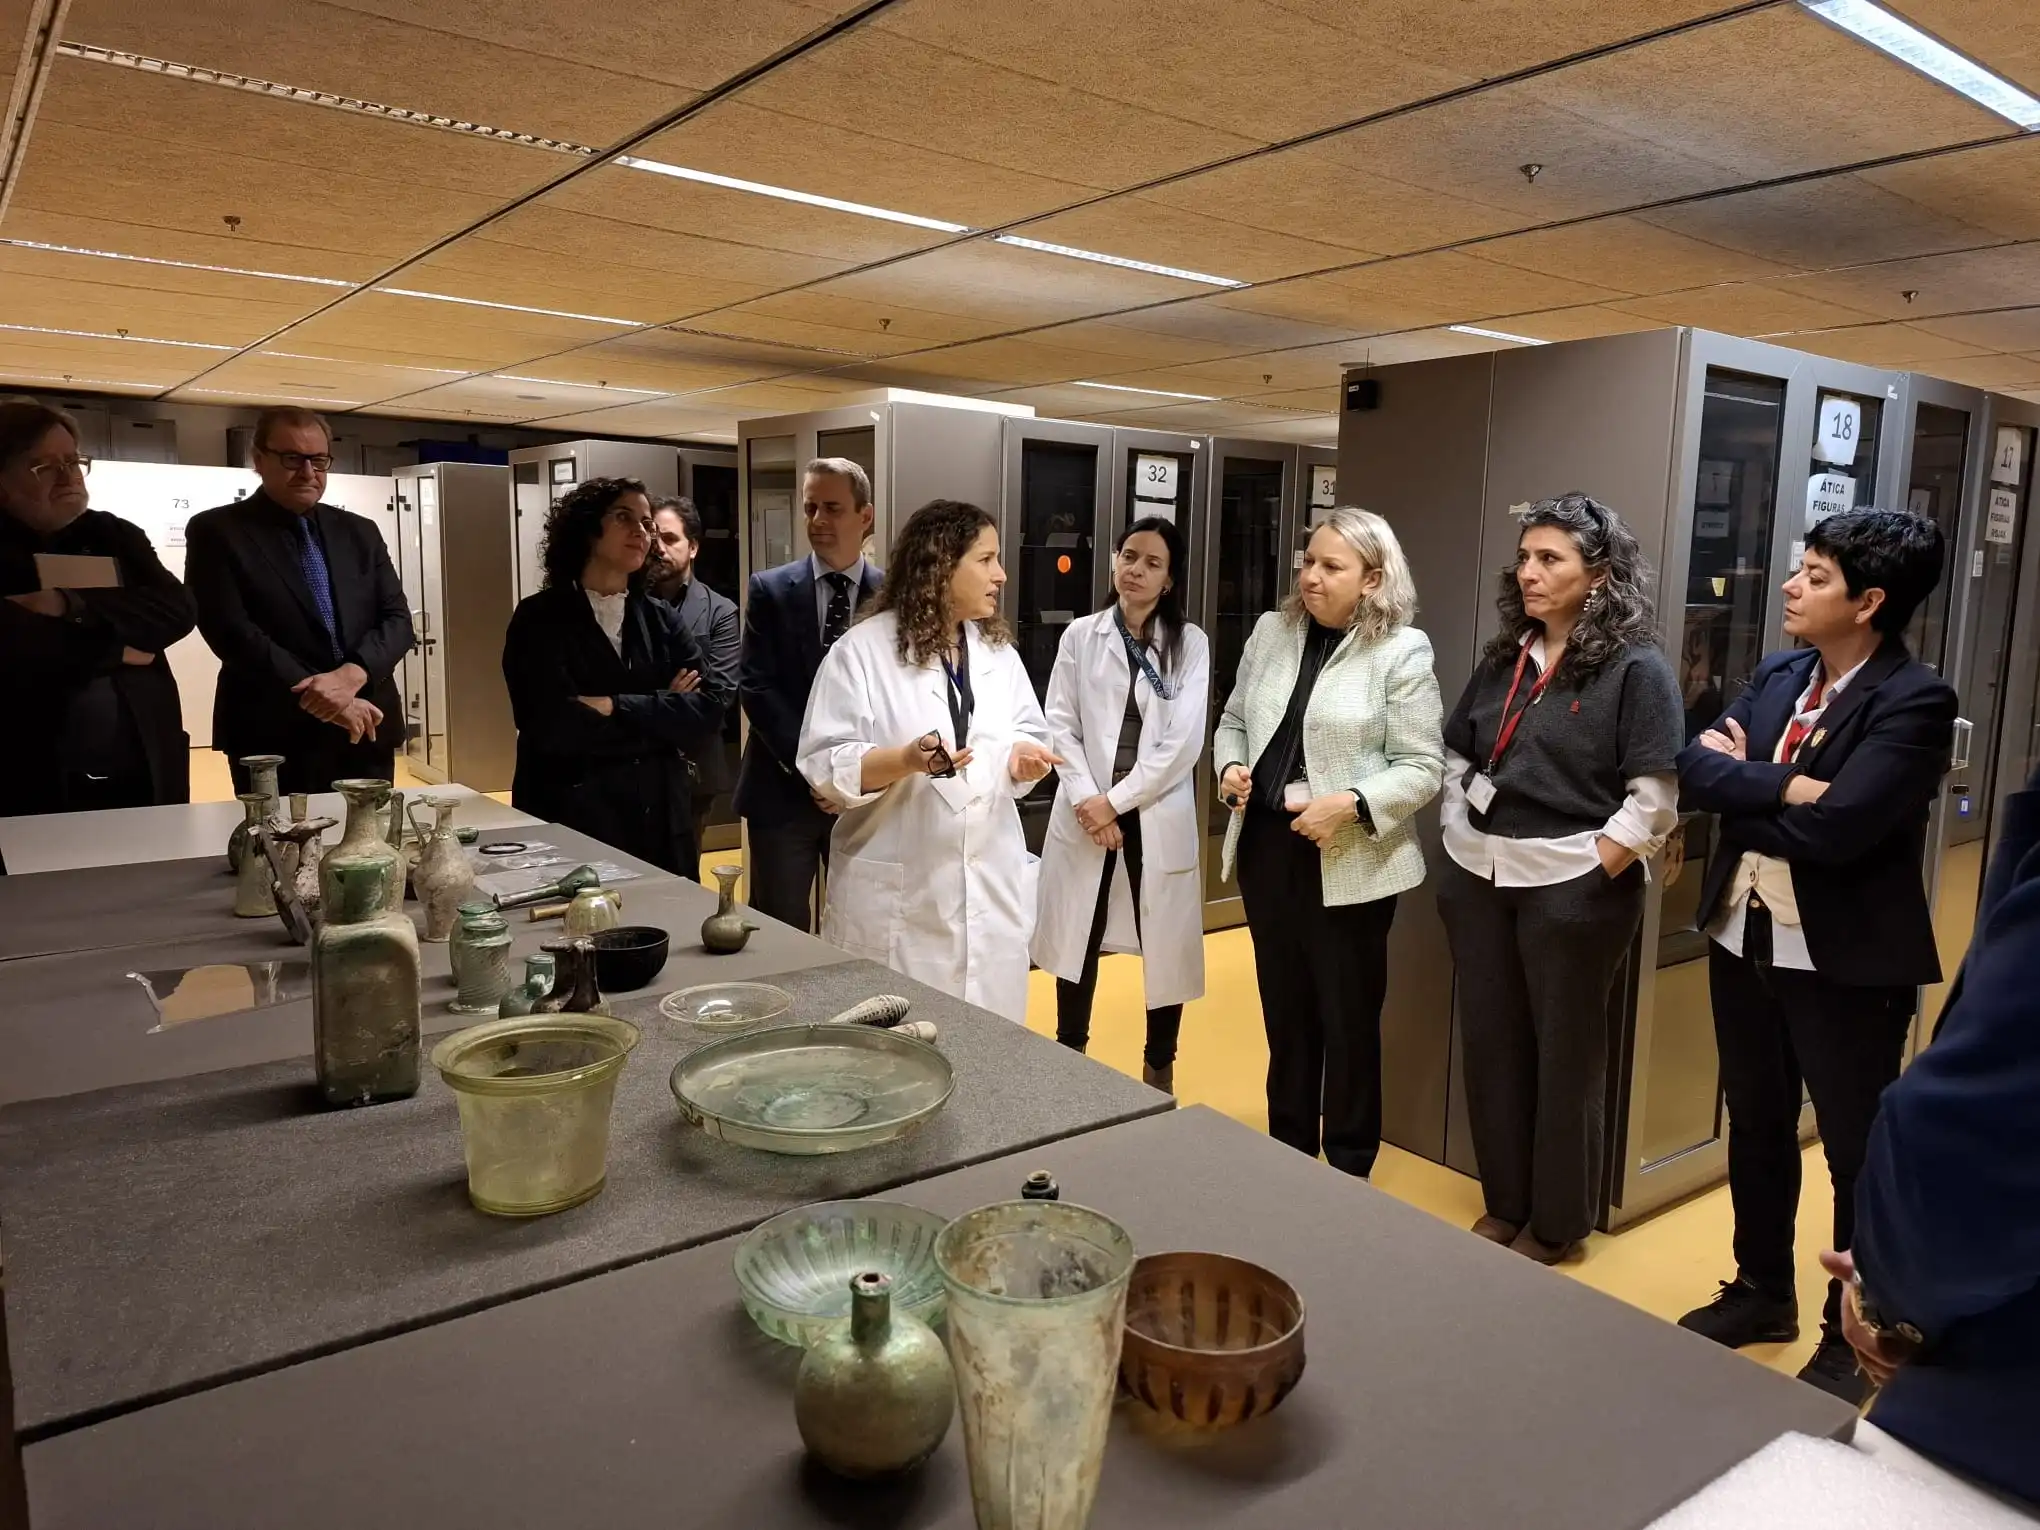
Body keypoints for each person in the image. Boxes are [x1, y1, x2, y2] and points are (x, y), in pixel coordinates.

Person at [1675, 507, 1956, 1404]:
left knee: (1852, 1148)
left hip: (1844, 960)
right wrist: (1790, 784)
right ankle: (1762, 1291)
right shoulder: (1782, 672)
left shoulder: (1914, 700)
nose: (1791, 587)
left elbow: (1840, 831)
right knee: (1755, 1125)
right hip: (1743, 931)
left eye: (1817, 577)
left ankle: (1855, 1328)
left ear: (1871, 601)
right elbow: (1692, 768)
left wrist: (1747, 786)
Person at [1437, 493, 1683, 1264]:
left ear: (1599, 574)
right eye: (1525, 558)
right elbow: (1457, 754)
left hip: (1575, 889)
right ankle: (1505, 1201)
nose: (1531, 573)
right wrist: (1455, 828)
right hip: (1479, 877)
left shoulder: (1637, 668)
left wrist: (1596, 867)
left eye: (1551, 559)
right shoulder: (1504, 655)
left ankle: (1557, 1221)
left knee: (1565, 1055)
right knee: (1491, 1043)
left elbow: (1656, 797)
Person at [1829, 754, 2040, 1504]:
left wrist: (1894, 1306)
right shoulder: (1777, 690)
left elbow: (1971, 1147)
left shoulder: (1909, 700)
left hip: (2000, 1423)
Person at [1214, 508, 1443, 1179]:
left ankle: (1347, 1164)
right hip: (1267, 851)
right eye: (1307, 562)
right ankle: (1286, 1153)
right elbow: (1232, 720)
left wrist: (1350, 804)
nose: (1311, 577)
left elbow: (1422, 766)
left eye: (1330, 567)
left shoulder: (1401, 651)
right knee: (1285, 1017)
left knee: (1346, 1023)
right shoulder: (1271, 631)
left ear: (1372, 579)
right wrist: (1230, 767)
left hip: (1348, 862)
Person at [797, 499, 1060, 1022]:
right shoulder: (863, 652)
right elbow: (825, 763)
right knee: (894, 1061)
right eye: (985, 560)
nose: (1000, 575)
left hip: (989, 889)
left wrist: (1022, 759)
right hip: (902, 896)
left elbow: (1025, 731)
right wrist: (903, 761)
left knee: (990, 1052)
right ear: (941, 565)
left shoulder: (998, 655)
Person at [1032, 516, 1210, 1094]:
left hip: (1150, 810)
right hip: (1088, 810)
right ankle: (1068, 1058)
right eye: (1129, 556)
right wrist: (1090, 801)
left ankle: (1160, 1067)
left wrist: (1116, 801)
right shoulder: (1081, 636)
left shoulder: (1190, 644)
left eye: (1152, 563)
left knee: (1164, 946)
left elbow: (1182, 743)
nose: (1136, 570)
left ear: (1170, 580)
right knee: (1077, 936)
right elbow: (1059, 724)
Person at [501, 478, 729, 875]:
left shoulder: (661, 618)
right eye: (624, 518)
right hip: (574, 813)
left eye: (646, 523)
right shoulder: (538, 619)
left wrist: (612, 705)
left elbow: (706, 712)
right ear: (588, 528)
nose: (641, 532)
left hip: (658, 818)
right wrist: (662, 710)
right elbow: (552, 727)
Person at [184, 407, 411, 795]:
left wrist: (350, 677)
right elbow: (232, 631)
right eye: (292, 458)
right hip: (274, 731)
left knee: (370, 848)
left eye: (319, 460)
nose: (308, 472)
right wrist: (329, 700)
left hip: (366, 722)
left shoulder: (359, 532)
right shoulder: (218, 531)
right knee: (281, 850)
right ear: (258, 459)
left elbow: (397, 620)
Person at [0, 400, 195, 816]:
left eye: (73, 461)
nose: (69, 476)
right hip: (29, 771)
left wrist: (65, 602)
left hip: (142, 759)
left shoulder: (113, 534)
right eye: (44, 466)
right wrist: (114, 650)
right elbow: (11, 643)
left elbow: (176, 608)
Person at [737, 458, 883, 931]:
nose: (818, 521)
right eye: (810, 508)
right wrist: (819, 772)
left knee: (863, 924)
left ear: (866, 516)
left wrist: (850, 777)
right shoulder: (772, 589)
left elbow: (892, 698)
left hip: (864, 796)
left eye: (833, 508)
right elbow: (757, 689)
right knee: (780, 928)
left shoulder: (891, 597)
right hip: (783, 788)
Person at [648, 495, 739, 880]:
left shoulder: (720, 611)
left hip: (693, 766)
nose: (659, 548)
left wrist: (648, 699)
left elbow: (718, 696)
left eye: (670, 539)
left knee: (683, 873)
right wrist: (671, 695)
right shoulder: (630, 604)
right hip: (635, 762)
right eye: (654, 537)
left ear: (694, 547)